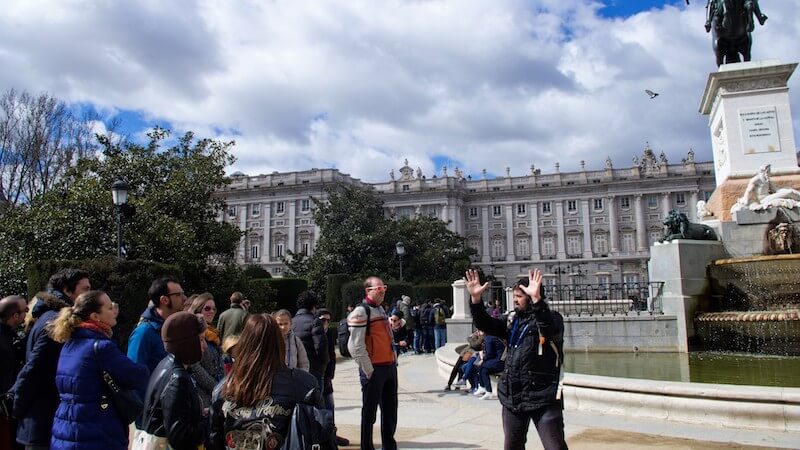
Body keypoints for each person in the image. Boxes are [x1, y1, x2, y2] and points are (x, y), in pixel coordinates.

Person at [466, 268, 567, 450]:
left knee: (555, 446)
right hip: (513, 395)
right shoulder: (512, 320)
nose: (514, 299)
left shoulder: (552, 318)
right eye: (515, 295)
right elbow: (486, 324)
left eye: (520, 296)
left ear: (531, 296)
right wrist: (476, 300)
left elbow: (549, 328)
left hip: (543, 396)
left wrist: (537, 301)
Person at [49, 290, 148, 450]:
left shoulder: (69, 344)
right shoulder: (101, 347)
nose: (115, 311)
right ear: (95, 317)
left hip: (66, 426)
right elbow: (135, 376)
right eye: (110, 308)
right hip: (96, 429)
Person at [208, 314, 323, 450]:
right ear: (279, 343)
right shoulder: (304, 383)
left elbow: (214, 439)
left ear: (244, 344)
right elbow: (321, 432)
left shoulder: (223, 387)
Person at [13, 268, 91, 450]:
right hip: (42, 421)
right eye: (84, 289)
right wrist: (17, 407)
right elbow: (34, 369)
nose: (89, 294)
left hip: (42, 419)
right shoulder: (56, 323)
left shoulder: (47, 316)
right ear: (67, 290)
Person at [139, 311, 208, 449]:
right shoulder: (178, 378)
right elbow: (181, 438)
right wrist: (212, 420)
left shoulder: (166, 364)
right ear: (187, 343)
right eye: (200, 340)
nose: (205, 346)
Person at [347, 276, 397, 450]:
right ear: (368, 291)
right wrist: (368, 370)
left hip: (389, 366)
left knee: (390, 412)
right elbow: (355, 346)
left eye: (384, 287)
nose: (383, 291)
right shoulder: (361, 312)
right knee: (370, 413)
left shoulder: (381, 309)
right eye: (379, 288)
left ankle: (389, 446)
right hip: (375, 369)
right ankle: (367, 446)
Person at [127, 277, 187, 399]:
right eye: (178, 295)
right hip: (154, 410)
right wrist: (146, 412)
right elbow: (133, 376)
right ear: (164, 300)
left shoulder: (176, 327)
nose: (184, 298)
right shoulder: (144, 332)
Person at [317, 308, 349, 447]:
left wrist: (330, 375)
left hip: (326, 376)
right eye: (323, 320)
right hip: (316, 375)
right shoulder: (313, 332)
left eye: (328, 320)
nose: (326, 323)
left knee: (330, 406)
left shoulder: (328, 333)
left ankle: (331, 435)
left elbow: (331, 355)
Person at [187, 293, 225, 408]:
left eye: (214, 308)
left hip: (217, 392)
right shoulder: (192, 331)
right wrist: (215, 386)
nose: (211, 311)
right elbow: (194, 366)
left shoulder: (213, 333)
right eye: (207, 308)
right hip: (203, 395)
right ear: (198, 309)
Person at [1, 295, 27, 449]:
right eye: (25, 310)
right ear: (15, 316)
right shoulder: (5, 339)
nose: (28, 312)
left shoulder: (10, 335)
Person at [291, 291, 329, 387]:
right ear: (314, 306)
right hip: (313, 369)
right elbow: (320, 347)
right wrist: (323, 364)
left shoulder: (291, 322)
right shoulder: (315, 322)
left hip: (294, 368)